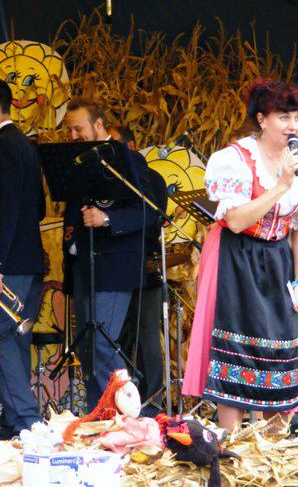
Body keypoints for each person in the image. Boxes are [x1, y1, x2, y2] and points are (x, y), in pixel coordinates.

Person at [182, 79, 298, 430]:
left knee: (281, 343)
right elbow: (234, 220)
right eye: (283, 117)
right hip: (235, 256)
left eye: (297, 118)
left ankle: (275, 441)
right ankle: (232, 440)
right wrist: (281, 186)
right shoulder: (234, 160)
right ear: (262, 119)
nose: (293, 126)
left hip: (276, 258)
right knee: (235, 343)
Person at [62, 100, 157, 410]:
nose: (74, 136)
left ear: (99, 124)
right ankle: (98, 417)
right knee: (87, 349)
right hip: (84, 265)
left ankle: (126, 414)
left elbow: (150, 212)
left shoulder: (128, 159)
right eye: (70, 130)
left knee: (102, 343)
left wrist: (107, 219)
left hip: (115, 266)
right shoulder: (77, 162)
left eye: (79, 128)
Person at [110, 124, 168, 416]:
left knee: (147, 332)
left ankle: (154, 399)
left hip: (146, 264)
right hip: (118, 266)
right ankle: (121, 397)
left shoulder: (151, 178)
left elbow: (153, 219)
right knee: (118, 333)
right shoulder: (110, 179)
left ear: (130, 147)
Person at [0, 79, 44, 436]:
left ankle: (26, 422)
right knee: (15, 341)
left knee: (1, 338)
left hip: (9, 263)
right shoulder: (25, 145)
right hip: (29, 261)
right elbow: (39, 207)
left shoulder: (3, 145)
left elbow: (7, 209)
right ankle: (15, 423)